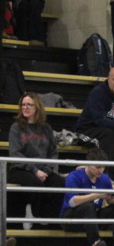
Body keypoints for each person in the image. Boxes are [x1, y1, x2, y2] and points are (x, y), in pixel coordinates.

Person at [7, 91, 65, 224]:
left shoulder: (46, 128)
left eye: (29, 105)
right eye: (23, 105)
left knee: (59, 182)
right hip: (21, 169)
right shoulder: (16, 128)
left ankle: (51, 221)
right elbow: (15, 154)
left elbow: (53, 152)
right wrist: (35, 170)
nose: (25, 107)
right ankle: (35, 215)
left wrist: (46, 170)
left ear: (37, 107)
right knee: (35, 183)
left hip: (43, 169)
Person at [60, 148, 114, 246]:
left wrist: (111, 200)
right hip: (72, 218)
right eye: (97, 167)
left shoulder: (104, 178)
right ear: (88, 164)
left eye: (103, 167)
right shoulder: (74, 176)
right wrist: (95, 195)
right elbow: (72, 202)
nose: (100, 170)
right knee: (88, 206)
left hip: (93, 217)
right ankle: (95, 242)